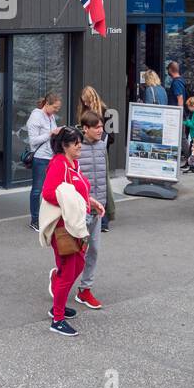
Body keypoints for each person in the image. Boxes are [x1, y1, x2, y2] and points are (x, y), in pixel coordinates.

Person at [38, 127, 103, 337]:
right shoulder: (58, 164)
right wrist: (74, 202)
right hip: (63, 228)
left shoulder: (72, 164)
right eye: (75, 143)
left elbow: (78, 189)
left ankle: (57, 298)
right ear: (64, 146)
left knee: (76, 266)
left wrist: (90, 201)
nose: (79, 146)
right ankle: (57, 319)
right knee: (69, 270)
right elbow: (48, 193)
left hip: (74, 224)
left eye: (79, 142)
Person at [74, 111, 109, 310]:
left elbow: (105, 178)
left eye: (101, 127)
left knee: (93, 250)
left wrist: (107, 205)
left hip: (97, 208)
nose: (100, 130)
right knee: (74, 252)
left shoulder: (103, 145)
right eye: (96, 127)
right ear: (85, 128)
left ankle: (85, 289)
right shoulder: (75, 147)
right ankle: (60, 279)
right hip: (79, 209)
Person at [78, 85, 113, 231]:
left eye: (87, 101)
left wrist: (101, 141)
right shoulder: (84, 112)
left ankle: (103, 220)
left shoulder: (107, 112)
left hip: (101, 150)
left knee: (101, 182)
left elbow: (112, 136)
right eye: (83, 101)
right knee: (91, 182)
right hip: (87, 150)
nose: (85, 104)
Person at [26, 91, 62, 230]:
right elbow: (33, 141)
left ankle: (47, 217)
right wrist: (50, 133)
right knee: (37, 190)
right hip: (40, 158)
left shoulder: (50, 116)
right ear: (47, 104)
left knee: (51, 189)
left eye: (58, 108)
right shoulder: (35, 117)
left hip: (52, 157)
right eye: (55, 107)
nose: (56, 111)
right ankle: (34, 220)